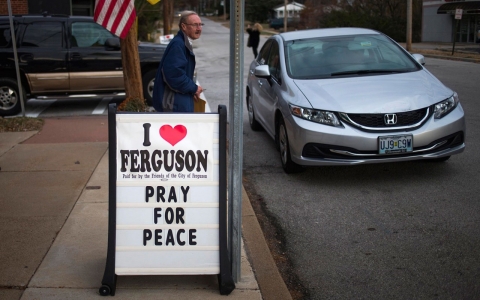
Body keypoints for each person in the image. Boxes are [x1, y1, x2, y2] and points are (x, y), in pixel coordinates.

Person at [152, 11, 204, 112]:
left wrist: (191, 91)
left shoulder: (182, 43)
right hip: (174, 105)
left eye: (200, 24)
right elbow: (174, 75)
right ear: (183, 26)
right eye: (195, 25)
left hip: (178, 101)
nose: (199, 28)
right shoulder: (178, 45)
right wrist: (194, 88)